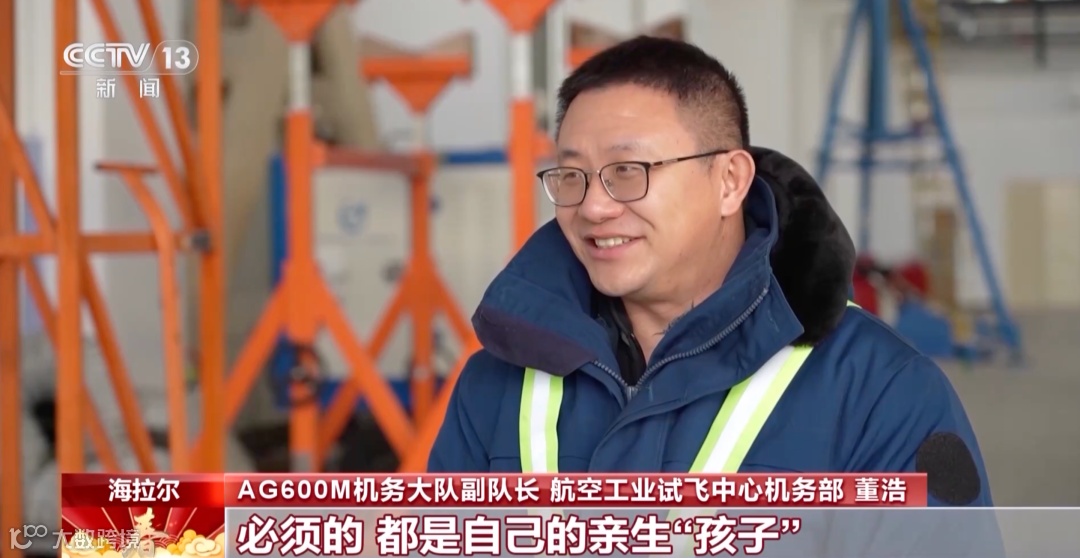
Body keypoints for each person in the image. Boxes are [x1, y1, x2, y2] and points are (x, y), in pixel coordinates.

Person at [428, 36, 992, 511]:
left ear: (729, 182)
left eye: (628, 171)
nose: (594, 207)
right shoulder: (498, 384)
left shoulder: (879, 390)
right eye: (572, 175)